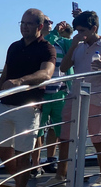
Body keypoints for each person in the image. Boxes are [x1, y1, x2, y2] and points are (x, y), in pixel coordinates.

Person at [46, 9, 101, 187]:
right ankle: (60, 175)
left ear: (94, 28)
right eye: (77, 31)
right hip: (74, 96)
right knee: (65, 138)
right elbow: (64, 67)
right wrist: (73, 45)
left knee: (97, 138)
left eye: (83, 31)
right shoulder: (78, 47)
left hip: (96, 97)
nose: (80, 35)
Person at [0, 9, 56, 187]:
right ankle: (21, 185)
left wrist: (20, 81)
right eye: (22, 23)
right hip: (6, 104)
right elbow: (5, 73)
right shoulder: (13, 47)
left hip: (28, 107)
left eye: (29, 23)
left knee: (23, 154)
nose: (24, 27)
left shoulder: (47, 49)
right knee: (3, 151)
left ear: (39, 27)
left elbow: (46, 74)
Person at [31, 17, 73, 176]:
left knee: (57, 129)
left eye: (51, 21)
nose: (51, 22)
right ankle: (35, 164)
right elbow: (47, 41)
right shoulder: (43, 42)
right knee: (38, 130)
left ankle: (50, 159)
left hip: (60, 92)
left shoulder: (62, 43)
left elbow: (77, 44)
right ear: (40, 26)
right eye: (47, 21)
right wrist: (55, 32)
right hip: (41, 94)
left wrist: (77, 20)